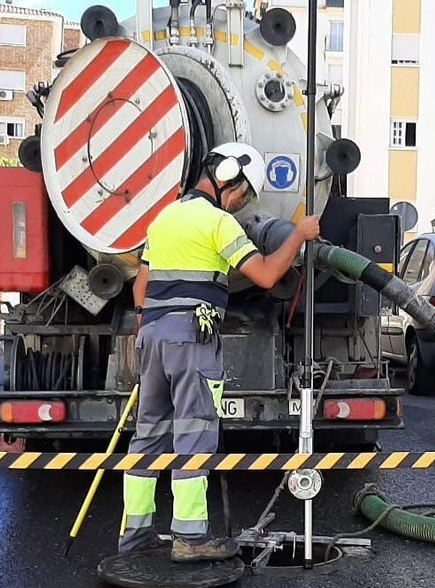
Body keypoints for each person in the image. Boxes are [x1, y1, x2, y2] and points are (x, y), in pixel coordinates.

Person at [119, 142, 320, 561]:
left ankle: (134, 535)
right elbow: (265, 275)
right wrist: (298, 235)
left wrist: (150, 323)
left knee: (148, 436)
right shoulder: (218, 224)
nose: (240, 203)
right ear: (229, 176)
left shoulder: (163, 219)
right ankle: (190, 539)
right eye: (243, 194)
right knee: (193, 434)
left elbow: (141, 286)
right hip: (192, 339)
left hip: (151, 336)